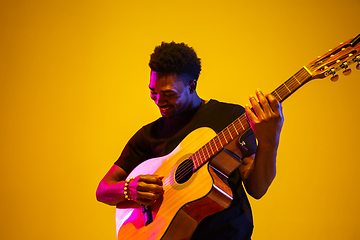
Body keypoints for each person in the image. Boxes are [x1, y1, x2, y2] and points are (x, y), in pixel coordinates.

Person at [96, 42, 284, 239]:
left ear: (192, 85)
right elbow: (103, 189)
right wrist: (129, 189)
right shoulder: (148, 135)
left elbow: (257, 188)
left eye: (168, 93)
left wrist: (269, 142)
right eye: (153, 91)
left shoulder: (231, 117)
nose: (159, 101)